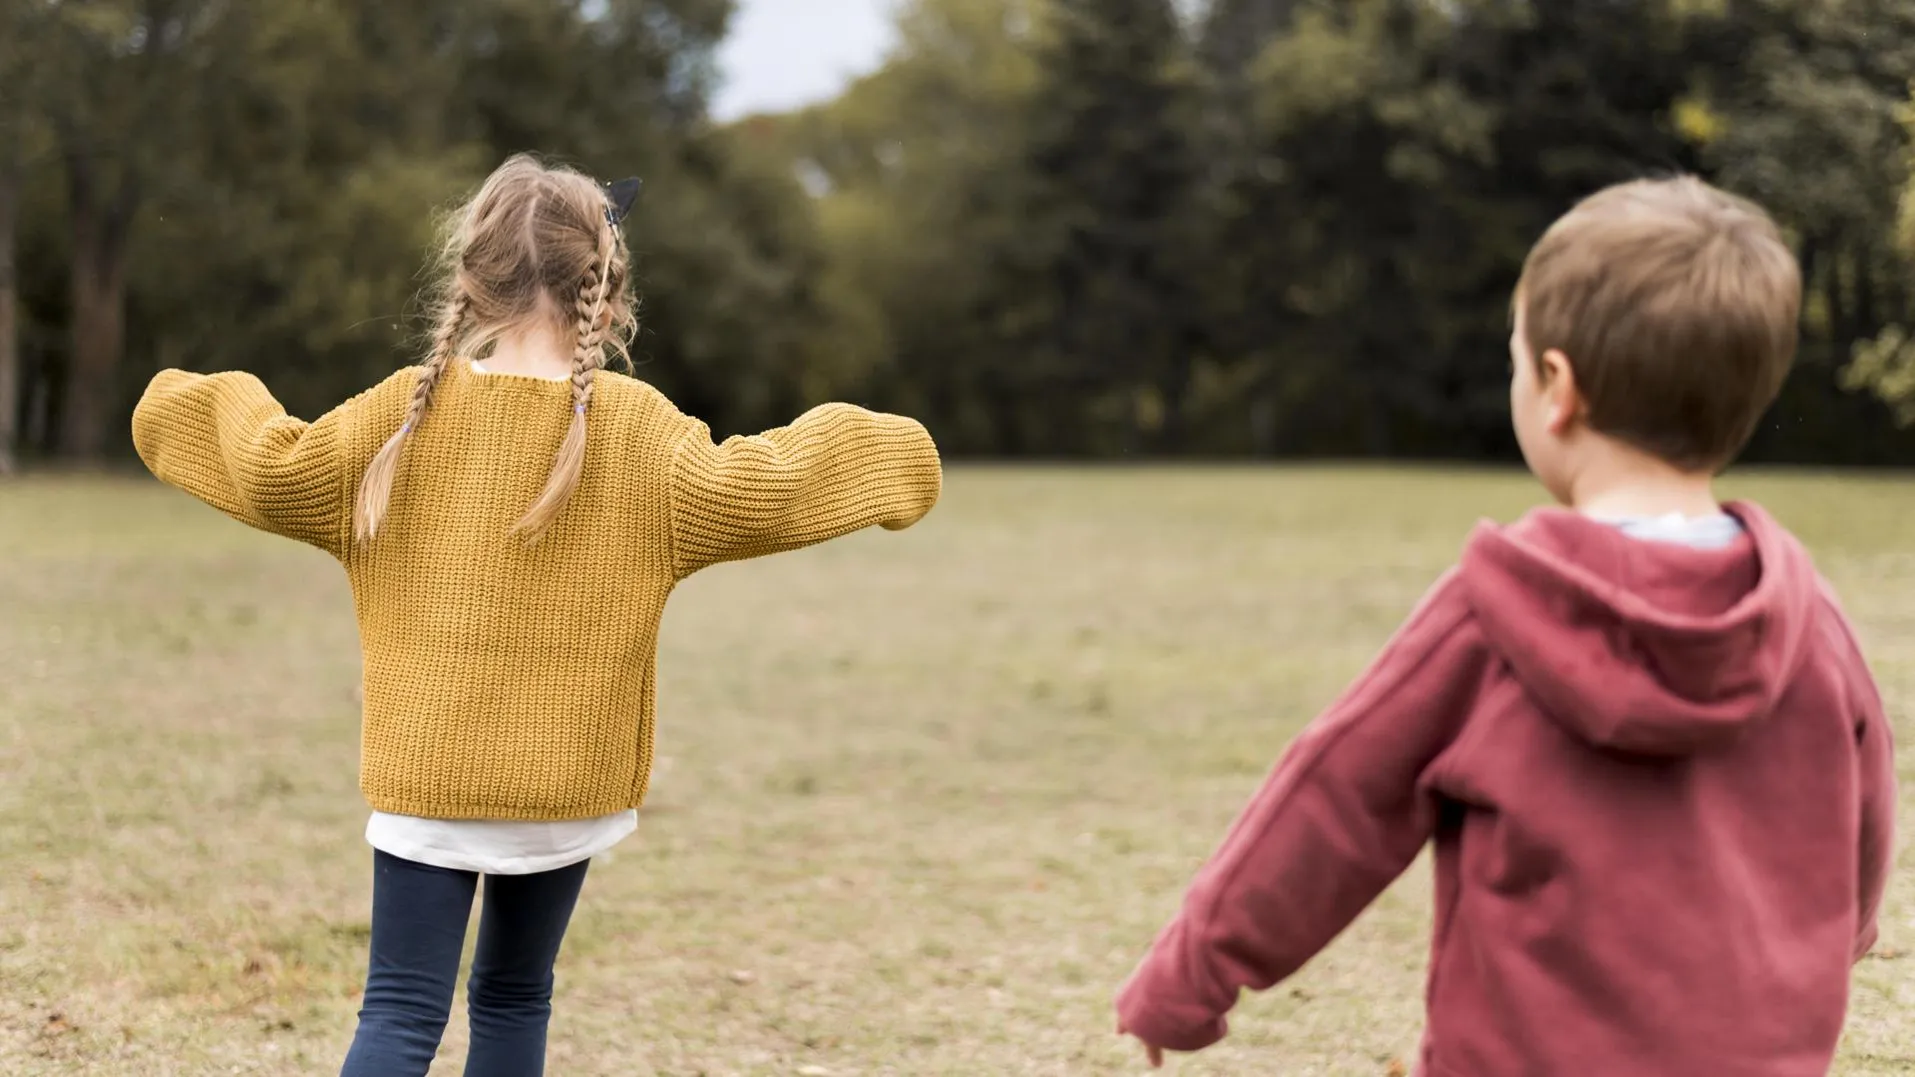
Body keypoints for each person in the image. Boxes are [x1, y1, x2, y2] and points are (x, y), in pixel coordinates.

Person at [130, 154, 943, 1077]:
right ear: (606, 286)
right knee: (516, 996)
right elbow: (762, 485)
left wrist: (176, 403)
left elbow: (273, 467)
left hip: (425, 780)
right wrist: (893, 450)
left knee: (399, 1012)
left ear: (472, 282)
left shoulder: (403, 416)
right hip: (564, 789)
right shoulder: (643, 433)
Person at [1114, 176, 1896, 1075]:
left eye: (1514, 357)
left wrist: (1188, 974)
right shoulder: (1804, 618)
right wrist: (1854, 923)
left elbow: (1332, 800)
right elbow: (1863, 804)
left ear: (1555, 388)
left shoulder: (1490, 615)